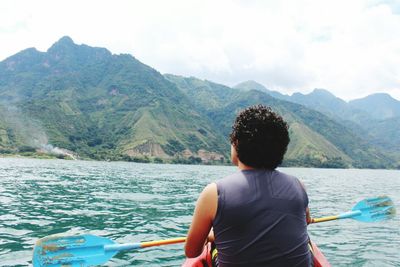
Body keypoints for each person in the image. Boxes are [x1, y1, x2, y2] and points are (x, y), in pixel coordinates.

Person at [185, 105, 312, 267]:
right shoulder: (298, 185)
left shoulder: (214, 193)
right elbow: (305, 220)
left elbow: (192, 252)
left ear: (236, 144)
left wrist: (212, 236)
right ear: (282, 148)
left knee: (213, 248)